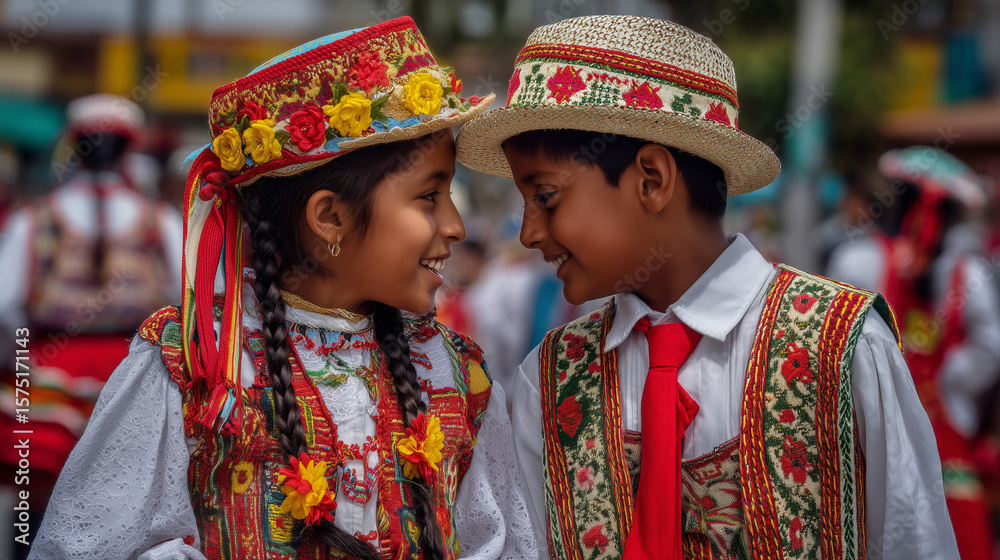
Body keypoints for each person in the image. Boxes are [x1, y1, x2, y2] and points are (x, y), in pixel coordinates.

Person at [28, 17, 536, 560]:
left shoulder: (455, 372)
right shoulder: (197, 365)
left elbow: (501, 543)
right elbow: (87, 545)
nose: (456, 225)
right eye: (430, 197)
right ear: (330, 218)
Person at [455, 15, 957, 560]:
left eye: (546, 196)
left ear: (651, 179)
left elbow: (915, 539)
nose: (528, 233)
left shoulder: (840, 350)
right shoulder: (548, 382)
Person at [0, 94, 182, 558]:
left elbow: (7, 309)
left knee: (37, 504)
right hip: (134, 370)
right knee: (125, 499)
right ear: (128, 150)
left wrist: (17, 367)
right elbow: (192, 300)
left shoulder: (32, 218)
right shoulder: (159, 220)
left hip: (48, 371)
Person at [829, 147, 1000, 560]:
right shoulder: (966, 273)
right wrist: (951, 385)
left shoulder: (857, 260)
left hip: (870, 440)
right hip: (943, 439)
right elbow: (989, 351)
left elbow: (832, 347)